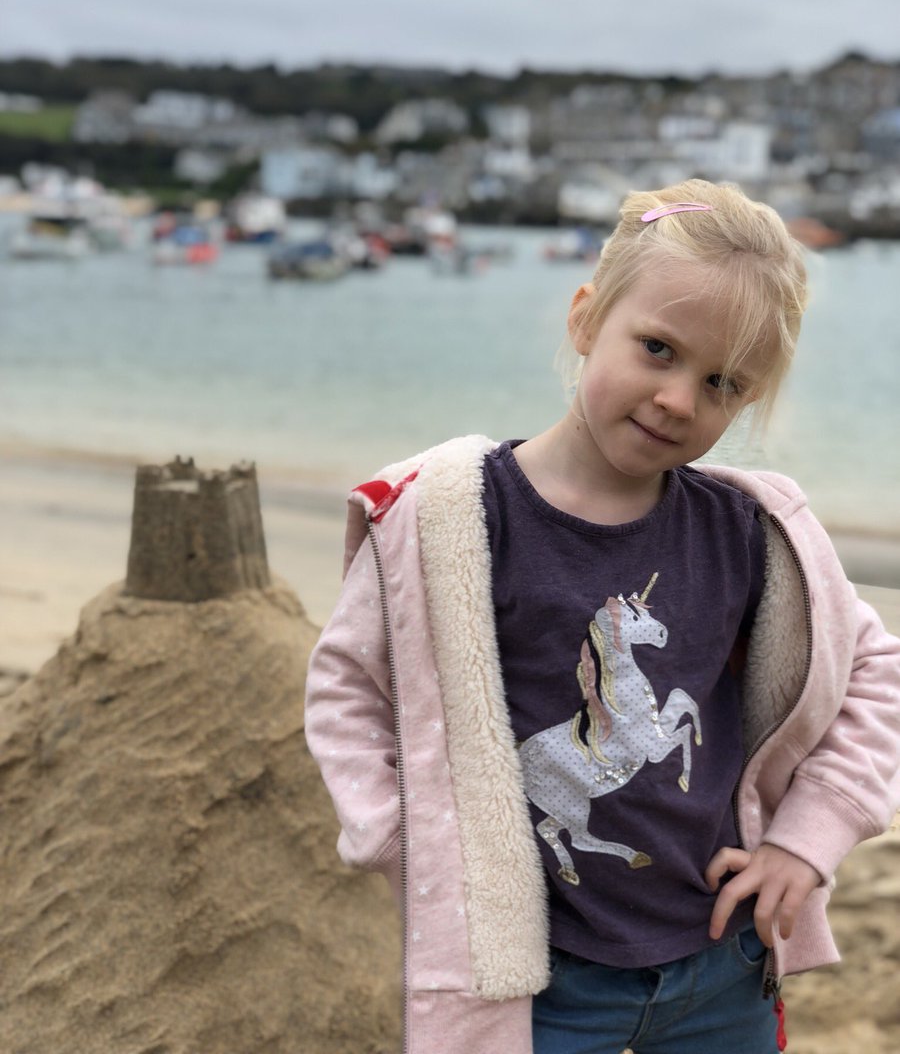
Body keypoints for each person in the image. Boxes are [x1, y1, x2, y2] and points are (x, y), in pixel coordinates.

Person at [304, 179, 900, 1054]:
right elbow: (348, 691)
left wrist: (807, 841)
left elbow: (874, 672)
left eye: (722, 382)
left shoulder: (747, 534)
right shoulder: (454, 519)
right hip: (538, 980)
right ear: (586, 318)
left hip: (719, 962)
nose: (677, 399)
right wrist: (409, 850)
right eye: (657, 348)